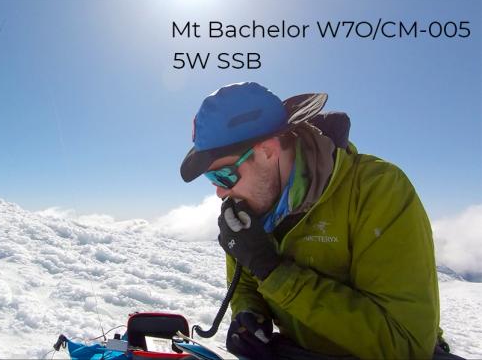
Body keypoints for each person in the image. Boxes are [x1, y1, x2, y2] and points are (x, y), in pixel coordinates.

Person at [179, 82, 453, 359]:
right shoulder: (248, 209)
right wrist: (248, 313)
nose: (220, 191)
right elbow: (247, 279)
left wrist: (273, 272)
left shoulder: (377, 190)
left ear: (268, 151)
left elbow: (405, 344)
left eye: (222, 175)